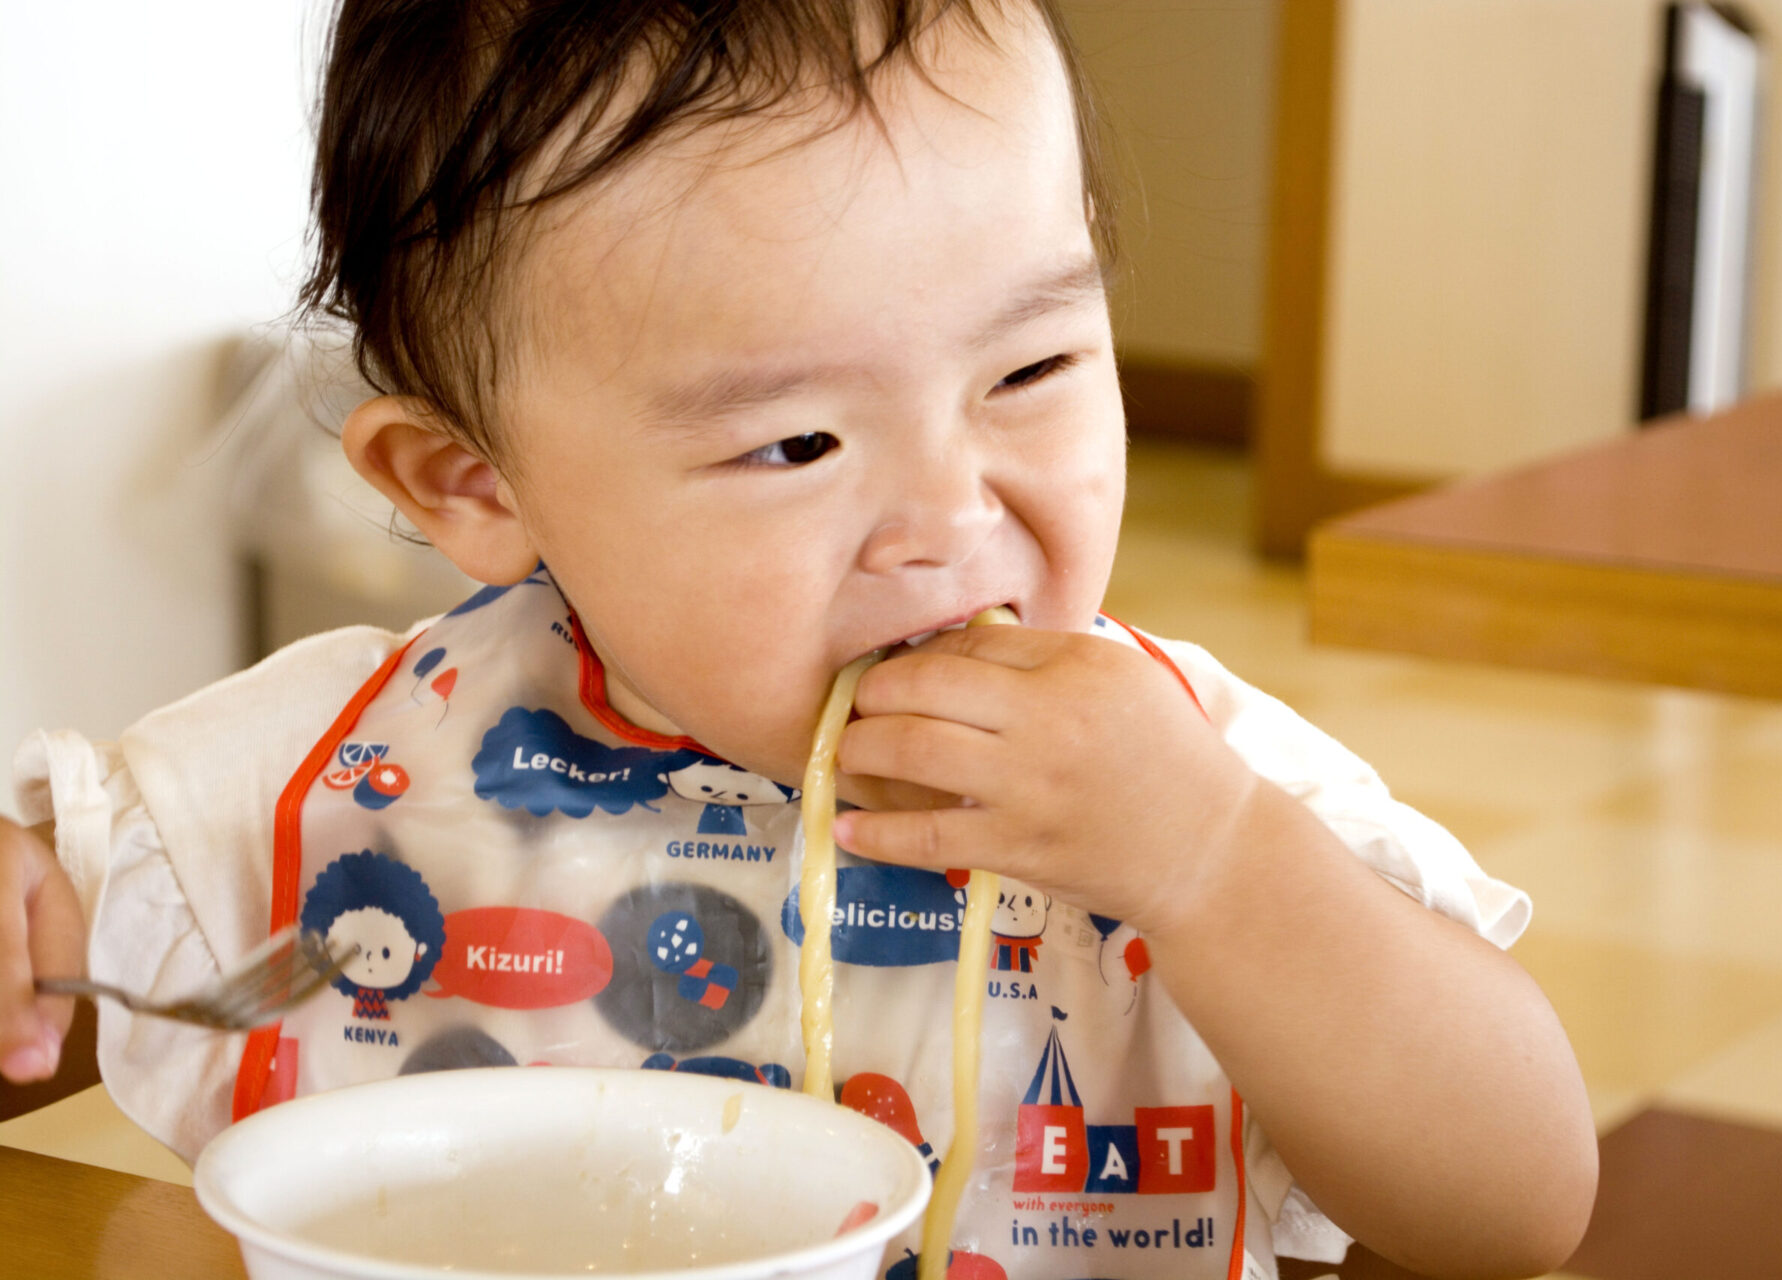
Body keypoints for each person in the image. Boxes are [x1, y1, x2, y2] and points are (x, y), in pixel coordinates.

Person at [0, 2, 1597, 1276]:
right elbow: (52, 995)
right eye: (797, 448)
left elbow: (1518, 1208)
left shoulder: (1193, 785)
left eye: (1031, 368)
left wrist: (1214, 866)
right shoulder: (345, 769)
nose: (948, 517)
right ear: (475, 484)